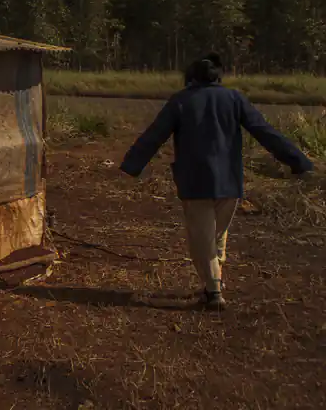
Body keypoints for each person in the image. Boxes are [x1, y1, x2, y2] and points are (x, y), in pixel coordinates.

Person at [120, 56, 314, 310]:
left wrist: (132, 165)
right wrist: (298, 161)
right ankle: (214, 284)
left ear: (191, 77)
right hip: (229, 181)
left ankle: (213, 293)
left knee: (202, 240)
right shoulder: (234, 99)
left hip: (196, 182)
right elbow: (265, 132)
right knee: (217, 237)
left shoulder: (182, 100)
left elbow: (154, 135)